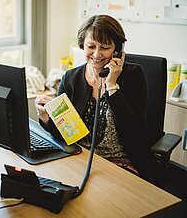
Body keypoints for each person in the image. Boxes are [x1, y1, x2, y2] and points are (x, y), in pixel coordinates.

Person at [35, 14, 159, 184]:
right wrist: (46, 117)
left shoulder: (133, 76)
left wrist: (112, 86)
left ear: (117, 49)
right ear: (82, 46)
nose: (97, 54)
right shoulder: (70, 79)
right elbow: (66, 134)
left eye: (105, 47)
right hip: (80, 160)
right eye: (91, 46)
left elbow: (135, 132)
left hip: (121, 163)